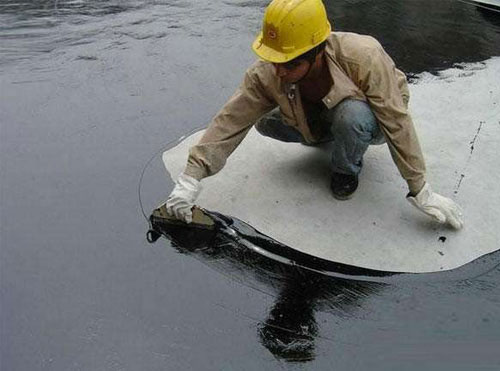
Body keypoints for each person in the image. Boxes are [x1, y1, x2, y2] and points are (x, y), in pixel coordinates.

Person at [165, 0, 464, 229]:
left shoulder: (363, 56)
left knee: (351, 117)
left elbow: (396, 120)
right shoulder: (270, 72)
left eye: (289, 64)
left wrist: (420, 188)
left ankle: (346, 169)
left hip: (370, 119)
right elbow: (231, 119)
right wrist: (191, 178)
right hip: (319, 115)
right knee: (263, 121)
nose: (278, 71)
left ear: (317, 51)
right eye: (273, 60)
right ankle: (326, 135)